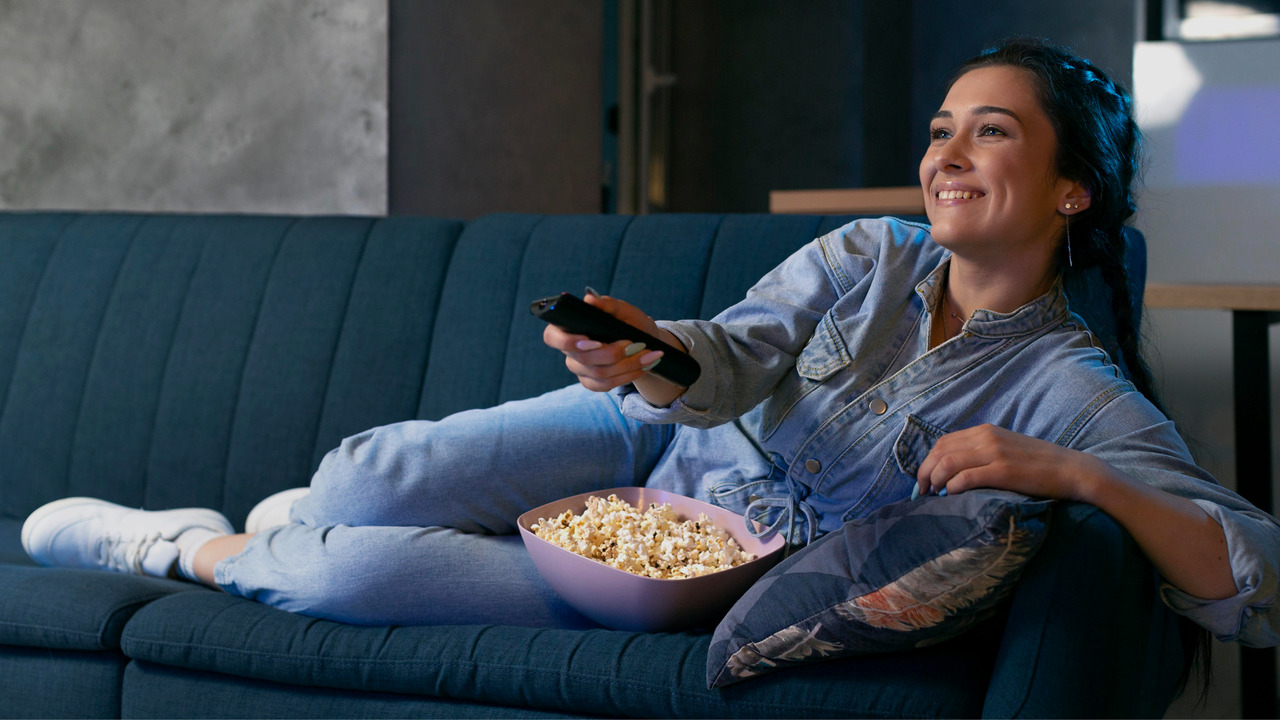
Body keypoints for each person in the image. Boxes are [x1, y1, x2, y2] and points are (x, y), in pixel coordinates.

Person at [21, 38, 1280, 661]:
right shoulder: (867, 254)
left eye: (989, 133)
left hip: (702, 566)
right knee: (358, 476)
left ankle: (174, 540)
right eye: (940, 127)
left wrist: (1081, 480)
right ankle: (324, 519)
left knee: (343, 584)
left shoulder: (1067, 388)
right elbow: (726, 356)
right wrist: (643, 360)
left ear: (1071, 192)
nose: (943, 153)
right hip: (657, 434)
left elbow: (1255, 589)